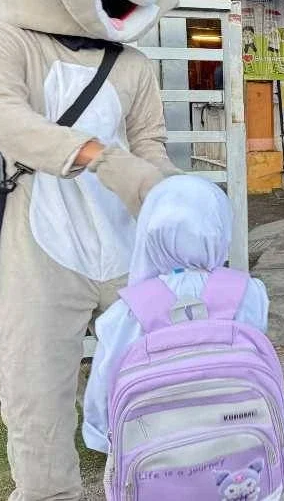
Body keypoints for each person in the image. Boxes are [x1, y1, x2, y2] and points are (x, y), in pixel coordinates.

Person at [0, 0, 181, 498]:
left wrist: (166, 196)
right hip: (39, 246)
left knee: (150, 377)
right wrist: (93, 156)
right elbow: (2, 118)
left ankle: (150, 478)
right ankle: (49, 490)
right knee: (35, 388)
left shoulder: (134, 65)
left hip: (124, 248)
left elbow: (151, 140)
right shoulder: (7, 43)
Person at [82, 175, 271, 451]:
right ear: (221, 230)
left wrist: (101, 433)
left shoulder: (130, 307)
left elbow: (106, 377)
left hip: (157, 442)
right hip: (237, 433)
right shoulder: (249, 291)